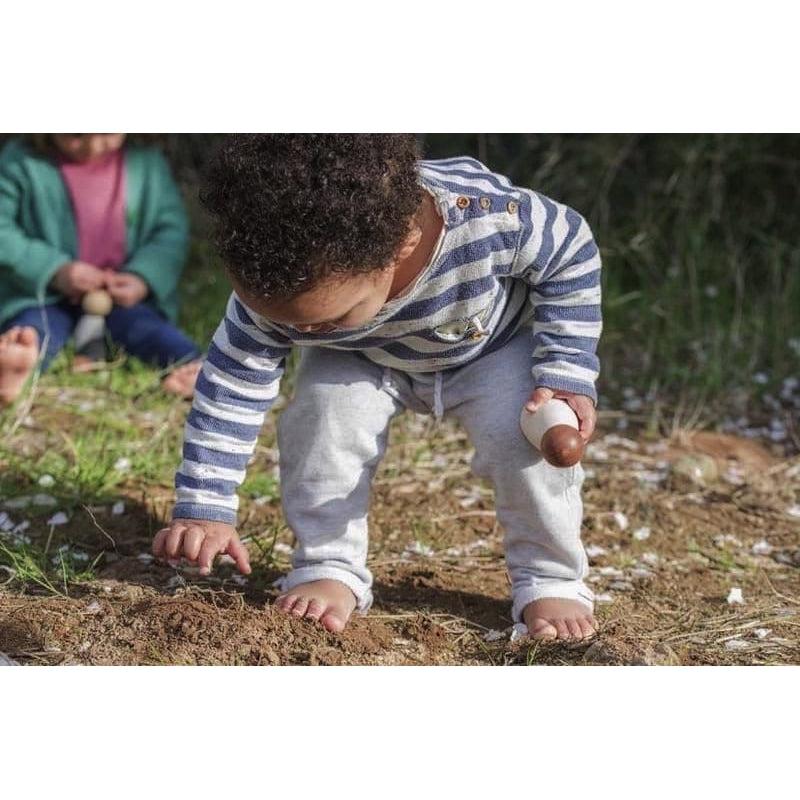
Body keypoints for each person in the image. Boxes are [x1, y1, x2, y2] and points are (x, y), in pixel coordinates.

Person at [152, 134, 602, 640]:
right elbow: (233, 381)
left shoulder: (488, 218)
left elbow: (572, 249)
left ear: (401, 246)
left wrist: (565, 370)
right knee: (322, 422)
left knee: (523, 445)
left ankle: (551, 576)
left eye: (326, 319)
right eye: (288, 325)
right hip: (362, 357)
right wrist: (205, 504)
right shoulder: (276, 281)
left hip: (490, 349)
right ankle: (328, 566)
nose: (300, 334)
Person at [0, 133, 202, 405]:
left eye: (107, 132)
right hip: (47, 294)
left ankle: (193, 367)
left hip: (121, 297)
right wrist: (55, 270)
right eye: (75, 134)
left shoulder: (147, 164)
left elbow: (170, 232)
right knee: (35, 327)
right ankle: (19, 362)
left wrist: (142, 277)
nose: (91, 146)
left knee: (148, 329)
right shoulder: (21, 161)